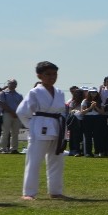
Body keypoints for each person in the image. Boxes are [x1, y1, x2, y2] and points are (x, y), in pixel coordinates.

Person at [16, 62, 68, 200]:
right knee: (34, 161)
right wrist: (32, 125)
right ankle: (28, 192)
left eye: (54, 74)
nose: (52, 77)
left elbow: (61, 112)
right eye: (48, 74)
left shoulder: (59, 92)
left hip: (57, 127)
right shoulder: (35, 92)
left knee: (57, 160)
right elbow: (22, 112)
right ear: (39, 76)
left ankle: (55, 191)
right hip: (39, 128)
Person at [0, 79, 24, 154]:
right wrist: (12, 112)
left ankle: (14, 149)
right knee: (5, 132)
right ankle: (3, 149)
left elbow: (21, 105)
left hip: (17, 115)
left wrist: (17, 113)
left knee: (15, 133)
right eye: (11, 83)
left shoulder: (19, 95)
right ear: (8, 84)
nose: (13, 85)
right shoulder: (2, 93)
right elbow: (2, 104)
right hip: (7, 114)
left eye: (14, 84)